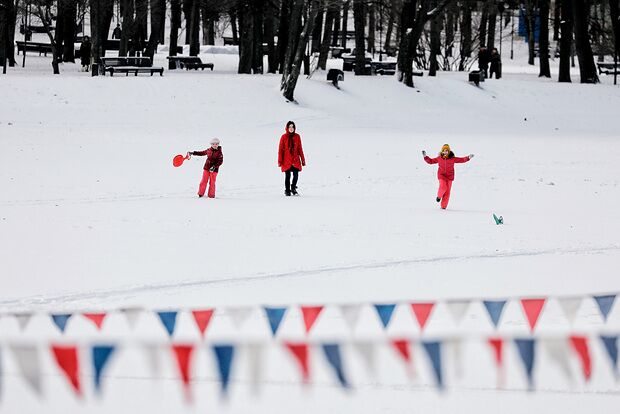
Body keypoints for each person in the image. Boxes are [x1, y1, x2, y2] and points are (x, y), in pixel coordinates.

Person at [423, 144, 474, 210]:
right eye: (444, 150)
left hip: (450, 177)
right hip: (441, 175)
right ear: (442, 151)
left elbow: (461, 160)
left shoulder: (452, 159)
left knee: (447, 192)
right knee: (443, 187)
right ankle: (439, 196)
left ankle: (443, 206)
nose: (445, 152)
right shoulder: (439, 158)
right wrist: (425, 157)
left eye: (447, 150)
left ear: (449, 151)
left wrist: (468, 157)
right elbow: (431, 161)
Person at [278, 121, 306, 196]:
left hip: (295, 160)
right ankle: (287, 190)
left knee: (296, 175)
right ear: (287, 128)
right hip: (286, 160)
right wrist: (280, 160)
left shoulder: (297, 136)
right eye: (289, 127)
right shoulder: (283, 137)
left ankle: (293, 188)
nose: (291, 128)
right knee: (287, 176)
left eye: (292, 127)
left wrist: (303, 159)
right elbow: (280, 149)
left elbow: (300, 148)